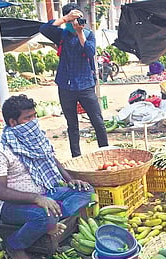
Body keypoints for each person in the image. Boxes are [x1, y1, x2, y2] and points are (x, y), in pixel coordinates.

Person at [0, 95, 94, 259]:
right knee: (44, 216)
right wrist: (36, 199)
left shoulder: (36, 138)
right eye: (28, 118)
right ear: (13, 122)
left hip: (44, 192)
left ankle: (51, 219)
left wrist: (70, 180)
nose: (33, 121)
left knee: (85, 191)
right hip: (9, 205)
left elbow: (50, 158)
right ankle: (14, 246)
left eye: (34, 115)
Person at [40, 3, 108, 158]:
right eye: (72, 19)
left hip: (85, 84)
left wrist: (80, 33)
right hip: (65, 84)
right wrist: (64, 19)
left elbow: (90, 52)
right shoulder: (61, 35)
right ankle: (76, 157)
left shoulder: (88, 34)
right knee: (72, 125)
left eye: (77, 18)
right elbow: (44, 29)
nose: (75, 22)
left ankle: (105, 152)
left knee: (97, 121)